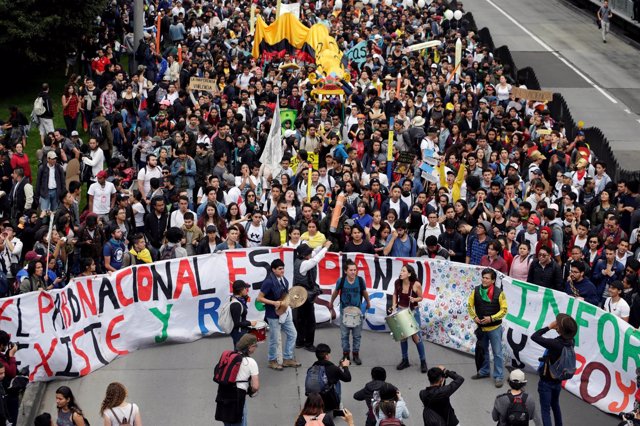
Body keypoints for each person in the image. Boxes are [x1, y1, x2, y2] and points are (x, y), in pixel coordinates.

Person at [531, 314, 578, 426]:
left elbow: (535, 336)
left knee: (545, 410)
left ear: (560, 330)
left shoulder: (555, 344)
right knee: (555, 405)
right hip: (558, 381)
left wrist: (549, 327)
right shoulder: (571, 341)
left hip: (546, 382)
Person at [256, 259, 300, 370]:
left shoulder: (284, 280)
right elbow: (259, 298)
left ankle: (287, 358)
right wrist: (273, 302)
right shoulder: (268, 282)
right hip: (272, 314)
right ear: (273, 270)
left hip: (284, 311)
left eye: (283, 268)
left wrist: (291, 300)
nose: (282, 270)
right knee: (274, 339)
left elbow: (285, 294)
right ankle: (272, 360)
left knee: (293, 334)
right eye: (280, 269)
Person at [468, 268, 508, 388]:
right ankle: (484, 371)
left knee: (497, 353)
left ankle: (499, 376)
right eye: (483, 277)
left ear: (493, 280)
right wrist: (474, 317)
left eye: (487, 278)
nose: (484, 280)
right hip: (481, 328)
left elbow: (504, 310)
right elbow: (470, 306)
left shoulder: (499, 293)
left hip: (495, 328)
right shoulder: (475, 290)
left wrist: (491, 318)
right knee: (483, 351)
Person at [329, 259, 371, 365]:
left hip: (357, 311)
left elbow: (364, 292)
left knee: (357, 335)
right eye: (351, 270)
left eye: (355, 270)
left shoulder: (360, 280)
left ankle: (356, 354)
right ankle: (346, 355)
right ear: (345, 271)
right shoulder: (341, 281)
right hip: (345, 311)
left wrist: (368, 302)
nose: (353, 272)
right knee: (344, 335)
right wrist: (331, 302)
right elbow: (335, 292)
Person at [293, 241, 331, 352]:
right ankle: (308, 344)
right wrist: (326, 248)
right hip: (305, 295)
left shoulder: (299, 261)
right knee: (310, 321)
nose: (311, 253)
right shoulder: (305, 264)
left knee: (300, 319)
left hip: (298, 294)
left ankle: (299, 341)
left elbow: (314, 253)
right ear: (304, 255)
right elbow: (316, 259)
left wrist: (322, 246)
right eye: (308, 252)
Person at [215, 333, 259, 426]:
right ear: (249, 347)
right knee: (239, 422)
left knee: (227, 423)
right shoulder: (251, 362)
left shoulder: (229, 357)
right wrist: (250, 392)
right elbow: (255, 386)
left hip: (223, 393)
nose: (255, 348)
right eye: (255, 346)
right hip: (238, 396)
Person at [389, 265, 427, 373]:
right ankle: (405, 360)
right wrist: (394, 305)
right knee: (403, 336)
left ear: (409, 274)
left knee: (416, 338)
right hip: (401, 310)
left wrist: (414, 299)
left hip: (413, 312)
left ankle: (423, 361)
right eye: (401, 270)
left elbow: (421, 297)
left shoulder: (416, 284)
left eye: (403, 271)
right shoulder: (398, 283)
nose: (401, 273)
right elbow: (395, 294)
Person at [306, 343, 352, 414]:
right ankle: (338, 405)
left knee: (333, 378)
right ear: (326, 356)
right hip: (329, 401)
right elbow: (348, 378)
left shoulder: (311, 368)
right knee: (337, 382)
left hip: (315, 399)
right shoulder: (333, 368)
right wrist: (345, 366)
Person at [229, 280, 257, 347]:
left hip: (240, 331)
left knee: (241, 353)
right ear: (241, 290)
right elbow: (236, 323)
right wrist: (250, 323)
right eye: (245, 288)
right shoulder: (236, 304)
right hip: (239, 333)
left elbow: (241, 317)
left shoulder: (238, 300)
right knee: (240, 353)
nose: (247, 290)